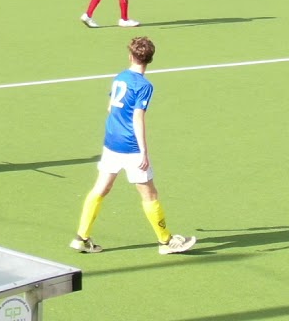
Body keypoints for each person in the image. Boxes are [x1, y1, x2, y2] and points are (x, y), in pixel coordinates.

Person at [70, 37, 197, 256]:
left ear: (130, 56)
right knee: (149, 194)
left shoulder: (120, 77)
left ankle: (82, 237)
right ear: (150, 59)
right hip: (130, 147)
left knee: (101, 188)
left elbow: (111, 109)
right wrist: (144, 151)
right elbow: (138, 118)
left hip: (111, 141)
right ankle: (166, 242)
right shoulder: (144, 86)